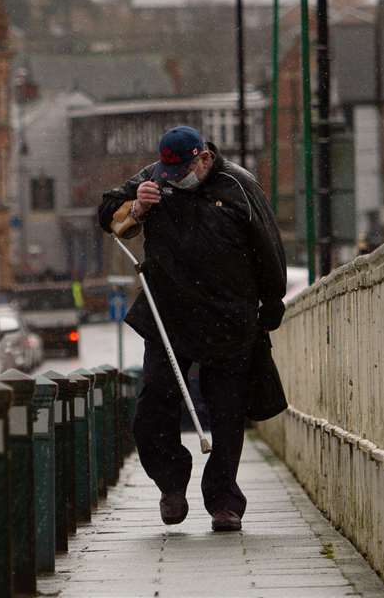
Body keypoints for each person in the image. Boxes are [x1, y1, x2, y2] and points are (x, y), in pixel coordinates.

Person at [96, 125, 286, 533]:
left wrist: (271, 304)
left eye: (182, 170)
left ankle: (224, 501)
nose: (174, 179)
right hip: (168, 314)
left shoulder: (239, 186)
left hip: (229, 315)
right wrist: (138, 208)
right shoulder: (154, 178)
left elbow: (269, 247)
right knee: (153, 404)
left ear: (203, 159)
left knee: (227, 410)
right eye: (168, 172)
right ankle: (170, 484)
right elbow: (107, 213)